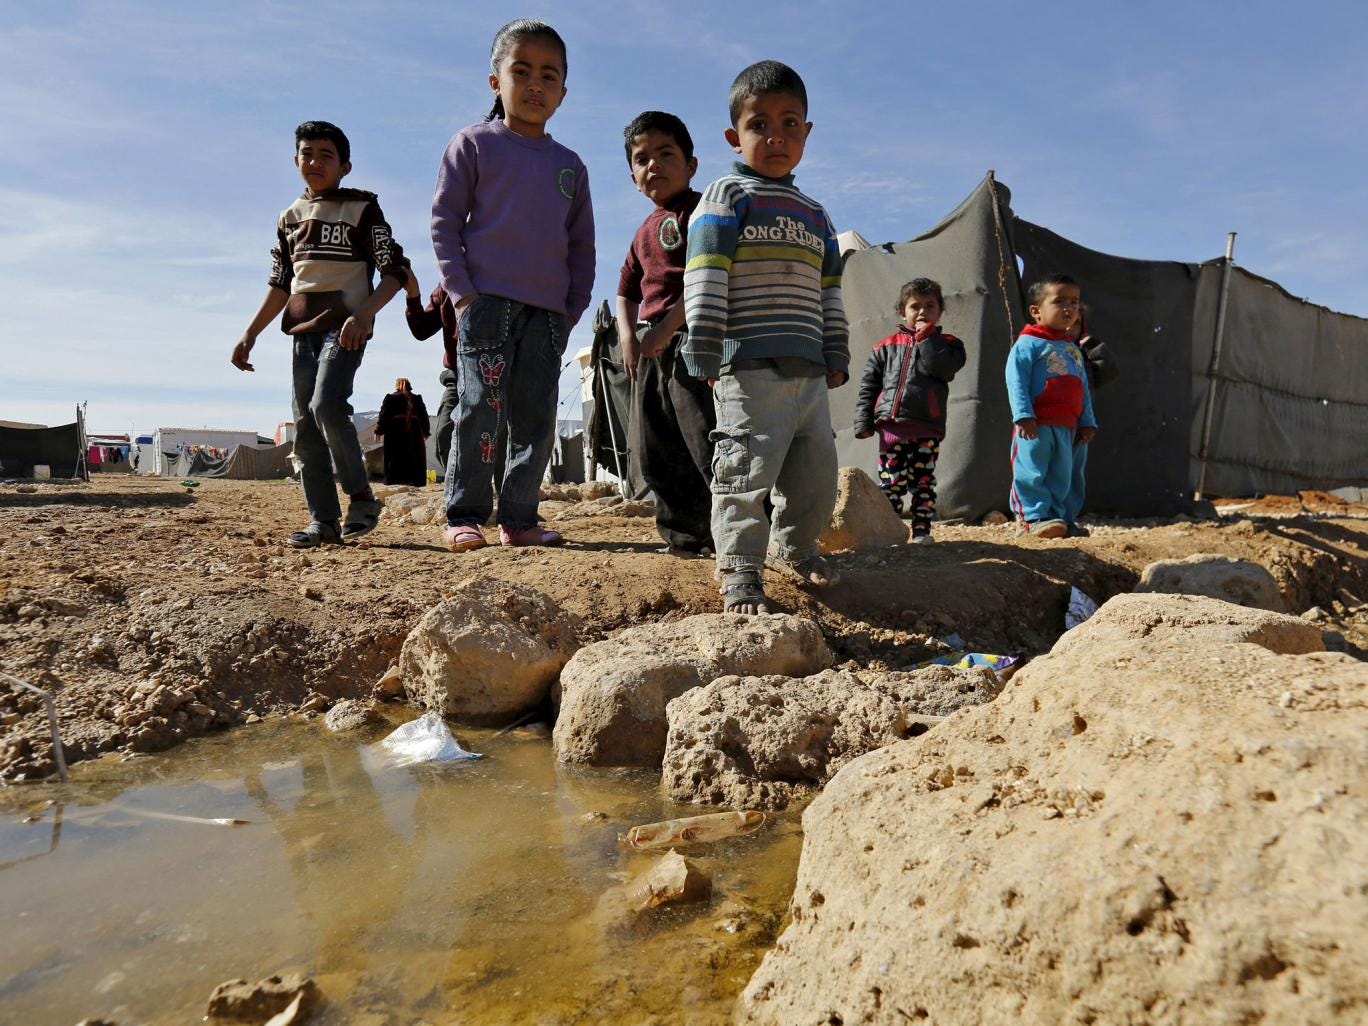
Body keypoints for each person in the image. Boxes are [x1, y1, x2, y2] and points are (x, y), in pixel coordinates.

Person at [682, 60, 849, 614]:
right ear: (735, 135)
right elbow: (705, 273)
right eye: (760, 125)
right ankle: (740, 573)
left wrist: (837, 348)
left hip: (809, 373)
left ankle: (796, 551)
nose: (775, 136)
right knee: (745, 476)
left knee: (815, 476)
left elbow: (830, 291)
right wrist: (704, 342)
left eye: (790, 123)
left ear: (806, 132)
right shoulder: (726, 196)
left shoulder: (816, 216)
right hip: (749, 369)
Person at [430, 18, 595, 552]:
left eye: (549, 75)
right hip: (486, 306)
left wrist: (572, 308)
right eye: (520, 70)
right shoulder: (474, 144)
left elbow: (581, 246)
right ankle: (465, 513)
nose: (534, 84)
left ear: (563, 93)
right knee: (480, 409)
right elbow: (446, 221)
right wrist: (464, 294)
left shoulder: (570, 166)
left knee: (536, 417)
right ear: (494, 80)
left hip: (547, 314)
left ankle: (520, 519)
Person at [230, 120, 408, 548]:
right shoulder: (288, 219)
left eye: (326, 155)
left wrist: (364, 315)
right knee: (306, 426)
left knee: (327, 405)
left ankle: (362, 498)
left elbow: (395, 272)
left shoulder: (362, 209)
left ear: (345, 166)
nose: (315, 162)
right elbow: (279, 284)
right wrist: (250, 333)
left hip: (346, 327)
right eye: (307, 154)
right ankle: (323, 521)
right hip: (302, 333)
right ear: (295, 161)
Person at [615, 111, 714, 556]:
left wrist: (666, 329)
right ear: (634, 177)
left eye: (665, 153)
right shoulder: (643, 231)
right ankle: (684, 536)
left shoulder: (704, 211)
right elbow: (624, 289)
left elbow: (704, 276)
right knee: (655, 447)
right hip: (653, 349)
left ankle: (731, 531)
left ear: (691, 164)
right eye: (641, 158)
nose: (653, 164)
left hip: (695, 342)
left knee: (704, 437)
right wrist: (628, 338)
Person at [853, 277, 966, 543]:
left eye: (930, 306)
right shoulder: (884, 346)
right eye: (915, 306)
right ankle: (890, 532)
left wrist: (926, 338)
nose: (923, 312)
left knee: (923, 482)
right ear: (902, 311)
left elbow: (943, 369)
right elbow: (869, 385)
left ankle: (922, 532)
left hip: (926, 426)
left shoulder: (948, 344)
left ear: (940, 312)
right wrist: (863, 421)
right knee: (891, 483)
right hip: (892, 428)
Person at [1006, 274, 1097, 538]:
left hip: (1070, 426)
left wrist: (1088, 421)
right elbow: (1016, 382)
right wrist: (1023, 414)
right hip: (1036, 424)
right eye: (1059, 301)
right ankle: (1032, 519)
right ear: (1036, 311)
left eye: (1074, 301)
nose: (1069, 308)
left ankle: (1062, 520)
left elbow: (1083, 390)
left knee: (1066, 475)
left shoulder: (1073, 349)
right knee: (1032, 470)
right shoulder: (1027, 344)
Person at [1061, 303, 1119, 537]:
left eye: (1076, 324)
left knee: (1074, 474)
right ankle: (1042, 519)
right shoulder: (1042, 349)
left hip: (1078, 423)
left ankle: (1067, 519)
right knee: (1051, 472)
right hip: (1050, 424)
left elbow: (1108, 371)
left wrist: (1091, 345)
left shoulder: (1083, 354)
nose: (1069, 328)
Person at [375, 378, 431, 486]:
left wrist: (378, 431)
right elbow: (424, 416)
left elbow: (383, 415)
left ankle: (394, 480)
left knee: (395, 455)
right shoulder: (417, 398)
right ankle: (414, 481)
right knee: (414, 455)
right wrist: (425, 431)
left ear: (396, 386)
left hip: (395, 432)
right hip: (414, 432)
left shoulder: (391, 398)